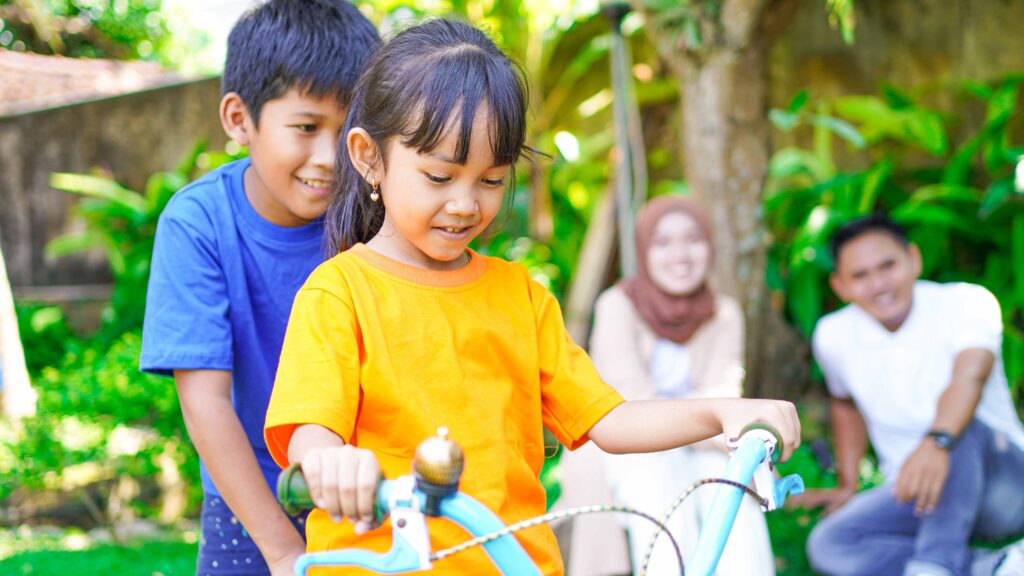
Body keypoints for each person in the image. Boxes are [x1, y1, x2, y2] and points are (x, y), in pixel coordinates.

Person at [263, 19, 800, 576]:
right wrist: (331, 465)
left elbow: (608, 421)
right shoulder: (339, 292)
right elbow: (310, 430)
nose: (466, 204)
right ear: (369, 157)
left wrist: (722, 411)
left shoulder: (521, 296)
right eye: (439, 177)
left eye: (491, 180)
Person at [139, 2, 379, 574]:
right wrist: (280, 547)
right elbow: (205, 403)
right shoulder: (197, 223)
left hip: (367, 494)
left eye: (348, 129)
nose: (329, 156)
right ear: (238, 118)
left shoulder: (380, 212)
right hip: (248, 505)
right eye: (305, 127)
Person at [556, 196, 775, 575]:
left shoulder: (723, 314)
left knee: (732, 484)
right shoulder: (617, 305)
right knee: (653, 472)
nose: (680, 254)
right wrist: (709, 420)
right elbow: (628, 403)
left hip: (702, 447)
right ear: (643, 251)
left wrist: (710, 422)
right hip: (625, 445)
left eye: (693, 239)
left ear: (709, 245)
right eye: (662, 242)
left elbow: (724, 395)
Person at [800, 214, 1024, 576]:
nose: (878, 284)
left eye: (888, 265)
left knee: (964, 426)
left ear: (914, 259)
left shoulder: (967, 302)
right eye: (860, 275)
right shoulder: (833, 335)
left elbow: (970, 375)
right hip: (914, 495)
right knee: (830, 543)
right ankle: (996, 565)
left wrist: (937, 442)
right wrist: (848, 483)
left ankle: (933, 566)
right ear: (840, 286)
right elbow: (844, 403)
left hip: (1003, 487)